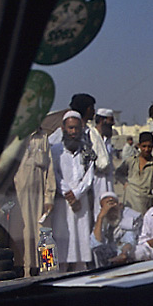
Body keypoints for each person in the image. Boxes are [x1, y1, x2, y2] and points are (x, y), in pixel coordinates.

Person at [50, 110, 96, 272]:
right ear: (63, 128)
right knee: (63, 242)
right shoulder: (55, 151)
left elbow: (89, 176)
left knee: (81, 242)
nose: (73, 132)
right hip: (62, 203)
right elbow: (54, 175)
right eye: (70, 128)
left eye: (76, 128)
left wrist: (77, 194)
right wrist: (68, 193)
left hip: (80, 203)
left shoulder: (87, 151)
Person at [8, 127, 56, 277]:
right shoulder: (14, 136)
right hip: (17, 198)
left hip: (40, 199)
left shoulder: (42, 137)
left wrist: (49, 198)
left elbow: (50, 170)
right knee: (21, 236)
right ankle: (25, 272)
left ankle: (48, 271)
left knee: (44, 236)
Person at [115, 132, 153, 215]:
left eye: (149, 146)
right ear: (139, 145)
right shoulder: (131, 161)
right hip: (130, 201)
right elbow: (118, 173)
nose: (146, 149)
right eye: (144, 146)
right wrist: (125, 183)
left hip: (147, 203)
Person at [90, 191, 142, 268]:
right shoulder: (101, 220)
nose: (112, 212)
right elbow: (96, 243)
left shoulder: (127, 218)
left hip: (126, 260)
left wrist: (124, 253)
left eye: (114, 208)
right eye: (108, 209)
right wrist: (100, 217)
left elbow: (130, 240)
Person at [89, 108, 116, 221]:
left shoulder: (107, 140)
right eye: (110, 122)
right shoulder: (91, 137)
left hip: (108, 181)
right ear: (102, 120)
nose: (112, 125)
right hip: (96, 182)